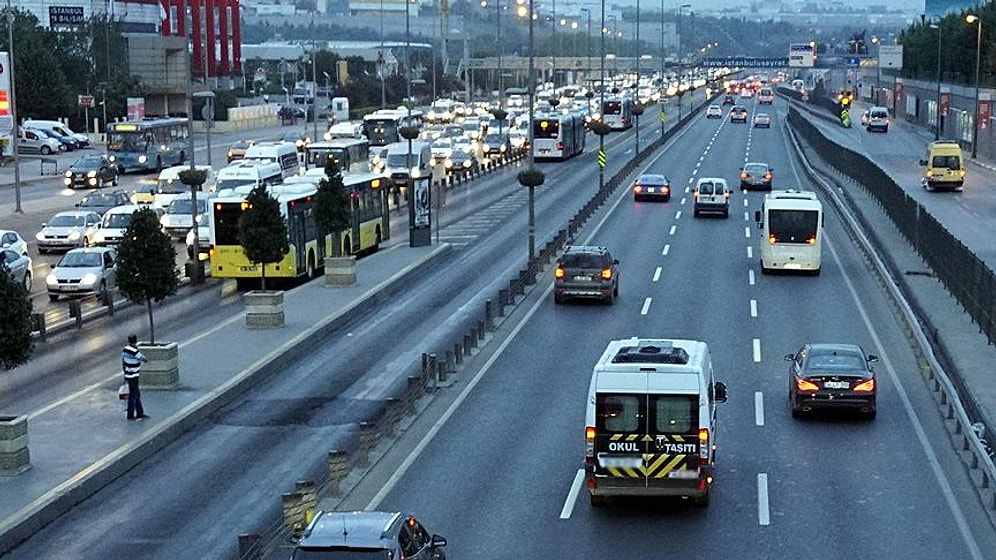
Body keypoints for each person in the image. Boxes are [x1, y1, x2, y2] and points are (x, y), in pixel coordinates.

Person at [122, 334, 150, 421]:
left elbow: (123, 360)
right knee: (133, 395)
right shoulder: (134, 351)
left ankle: (140, 412)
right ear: (135, 341)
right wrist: (146, 359)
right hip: (134, 375)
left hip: (128, 374)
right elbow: (143, 359)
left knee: (136, 394)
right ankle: (130, 415)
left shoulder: (125, 349)